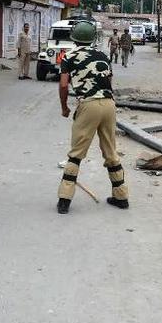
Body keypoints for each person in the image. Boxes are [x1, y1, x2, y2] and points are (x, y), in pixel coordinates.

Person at [57, 22, 129, 215]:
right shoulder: (103, 55)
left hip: (88, 104)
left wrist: (64, 107)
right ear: (92, 38)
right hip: (109, 104)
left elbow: (64, 85)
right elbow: (109, 81)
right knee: (110, 150)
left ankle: (64, 200)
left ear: (74, 38)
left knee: (77, 153)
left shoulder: (69, 56)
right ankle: (121, 197)